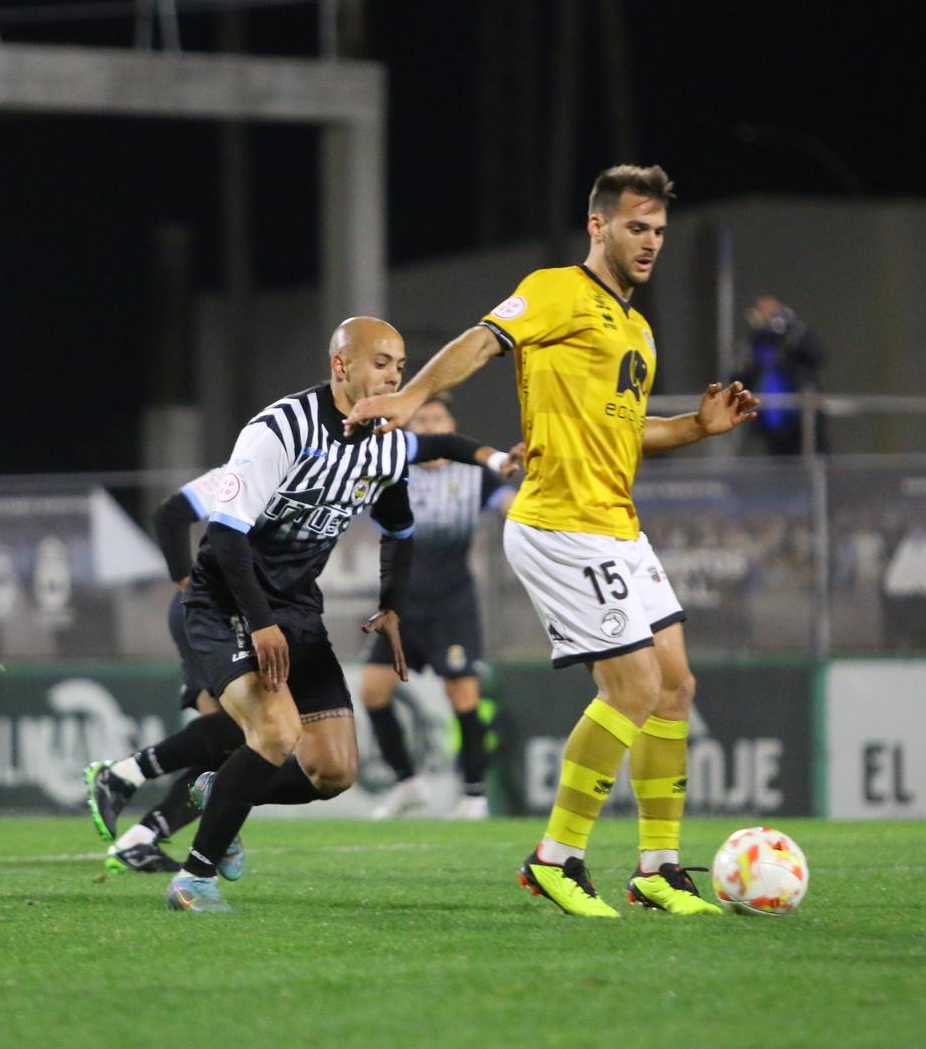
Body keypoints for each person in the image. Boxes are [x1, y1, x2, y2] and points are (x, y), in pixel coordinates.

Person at [347, 165, 759, 917]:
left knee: (674, 687)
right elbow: (482, 340)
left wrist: (697, 428)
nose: (650, 243)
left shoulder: (636, 327)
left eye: (660, 231)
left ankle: (658, 869)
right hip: (560, 524)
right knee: (631, 688)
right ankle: (555, 857)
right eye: (637, 227)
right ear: (598, 226)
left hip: (618, 525)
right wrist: (411, 397)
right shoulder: (556, 290)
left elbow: (629, 435)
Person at [88, 427, 513, 872]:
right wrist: (186, 587)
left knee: (278, 752)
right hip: (219, 609)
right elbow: (172, 514)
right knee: (249, 731)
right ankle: (139, 801)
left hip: (283, 613)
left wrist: (495, 458)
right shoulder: (255, 463)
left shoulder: (358, 462)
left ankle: (144, 822)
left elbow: (426, 461)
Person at [162, 315, 418, 913]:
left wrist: (392, 606)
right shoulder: (279, 429)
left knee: (334, 770)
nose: (393, 376)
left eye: (400, 367)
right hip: (226, 602)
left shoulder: (390, 443)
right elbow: (225, 537)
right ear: (341, 366)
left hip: (298, 609)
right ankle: (193, 880)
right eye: (381, 363)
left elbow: (400, 528)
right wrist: (260, 621)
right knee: (276, 732)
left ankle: (218, 789)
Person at [363, 396, 517, 821]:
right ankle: (407, 783)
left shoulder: (473, 474)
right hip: (400, 605)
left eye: (438, 418)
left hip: (451, 603)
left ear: (451, 425)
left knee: (462, 696)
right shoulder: (395, 470)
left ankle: (474, 795)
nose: (431, 425)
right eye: (422, 419)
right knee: (373, 692)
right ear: (410, 429)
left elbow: (510, 501)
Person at [738, 296, 827, 456]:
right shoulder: (755, 341)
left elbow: (816, 357)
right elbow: (741, 374)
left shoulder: (796, 333)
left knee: (811, 453)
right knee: (779, 460)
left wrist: (785, 332)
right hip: (772, 412)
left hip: (800, 409)